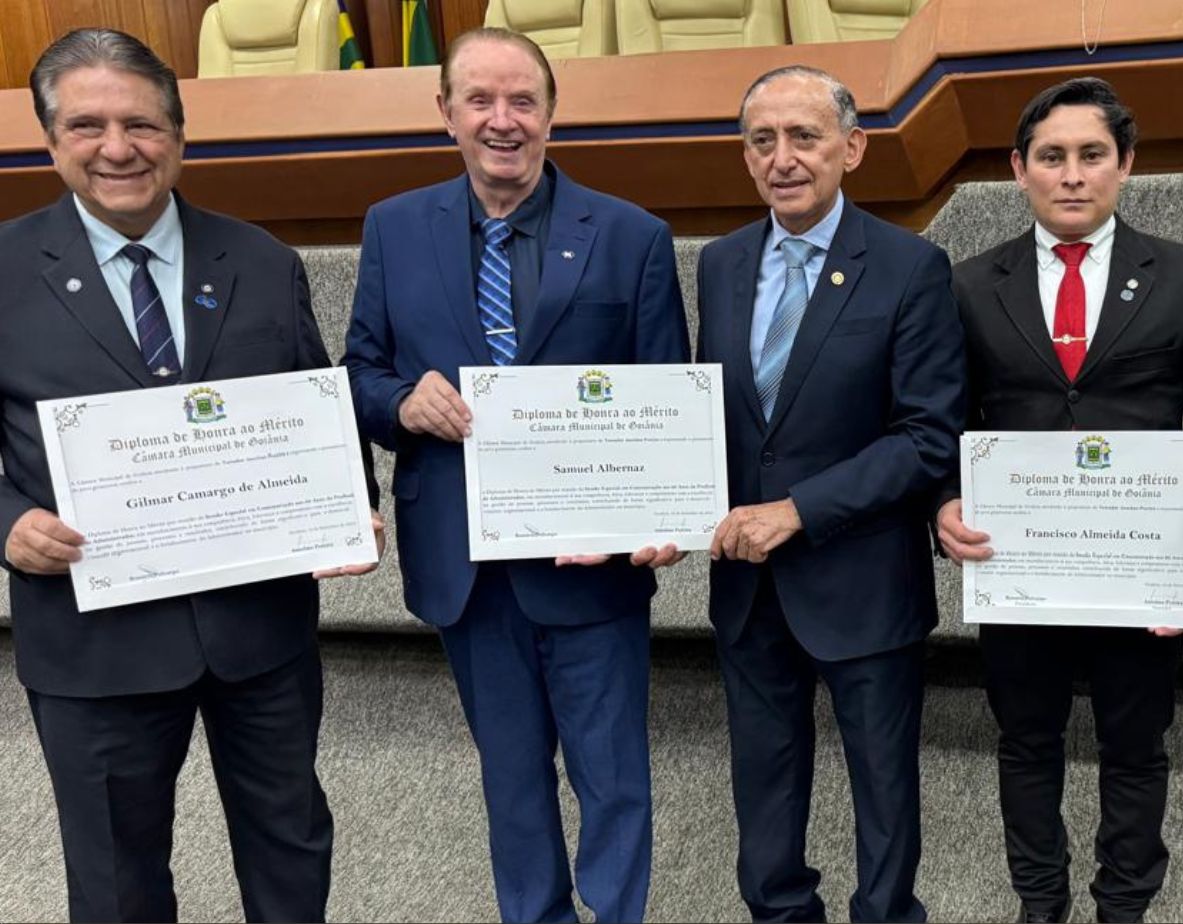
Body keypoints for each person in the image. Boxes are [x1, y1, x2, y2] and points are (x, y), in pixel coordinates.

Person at [0, 28, 382, 923]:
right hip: (95, 641)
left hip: (260, 633)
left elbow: (313, 406)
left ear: (179, 133)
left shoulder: (259, 259)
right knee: (117, 876)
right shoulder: (2, 270)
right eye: (88, 125)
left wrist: (346, 505)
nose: (118, 148)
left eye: (141, 123)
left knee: (290, 843)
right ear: (51, 140)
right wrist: (7, 522)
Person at [342, 26, 688, 924]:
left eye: (523, 101)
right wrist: (400, 405)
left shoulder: (632, 235)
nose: (503, 121)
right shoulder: (391, 226)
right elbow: (360, 372)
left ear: (551, 113)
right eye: (481, 101)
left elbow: (668, 393)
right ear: (446, 113)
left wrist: (664, 517)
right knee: (510, 778)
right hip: (466, 563)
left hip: (592, 564)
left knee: (614, 779)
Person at [934, 77, 1183, 924]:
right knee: (1026, 744)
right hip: (1020, 571)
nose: (1071, 175)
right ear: (1018, 169)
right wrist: (944, 508)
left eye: (1091, 156)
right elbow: (946, 426)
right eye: (1051, 157)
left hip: (1144, 575)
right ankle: (1040, 903)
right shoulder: (968, 284)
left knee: (1136, 748)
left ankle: (1124, 904)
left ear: (1125, 165)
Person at [694, 65, 964, 923]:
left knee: (883, 787)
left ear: (850, 148)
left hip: (861, 578)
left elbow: (928, 437)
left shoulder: (910, 266)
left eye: (804, 137)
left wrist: (798, 511)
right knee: (763, 785)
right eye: (762, 140)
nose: (783, 158)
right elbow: (709, 419)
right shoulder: (720, 263)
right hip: (747, 586)